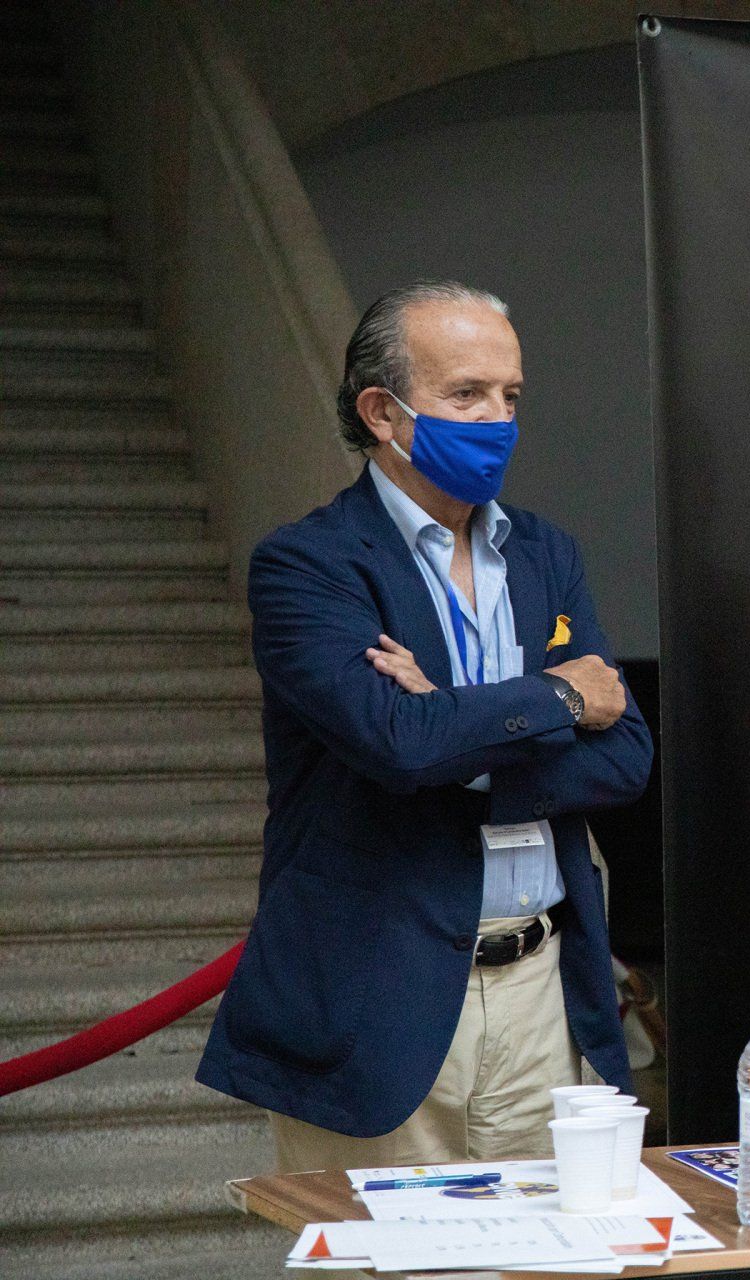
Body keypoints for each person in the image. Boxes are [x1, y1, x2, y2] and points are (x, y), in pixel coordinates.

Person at [196, 280, 654, 1170]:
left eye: (511, 396)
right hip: (378, 1000)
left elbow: (627, 756)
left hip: (545, 997)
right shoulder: (308, 564)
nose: (498, 420)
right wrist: (558, 699)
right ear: (382, 412)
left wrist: (452, 723)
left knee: (553, 1244)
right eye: (466, 394)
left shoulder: (546, 552)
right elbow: (397, 746)